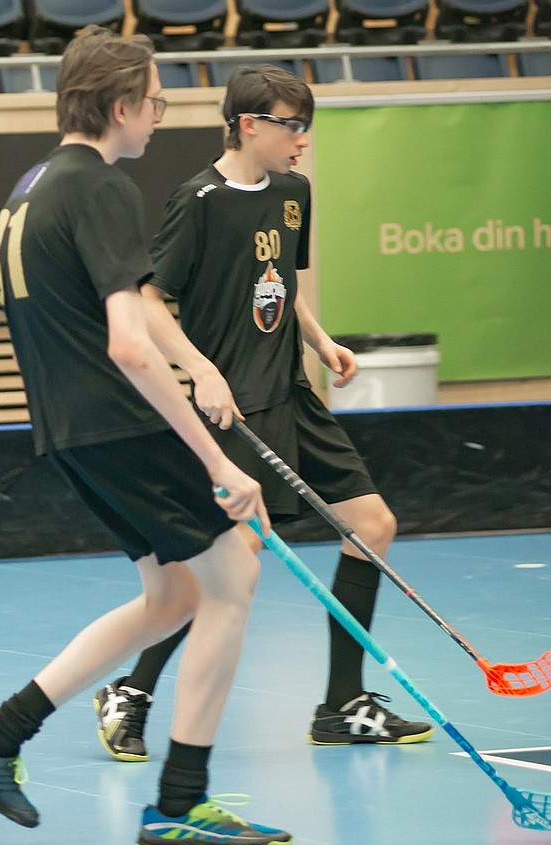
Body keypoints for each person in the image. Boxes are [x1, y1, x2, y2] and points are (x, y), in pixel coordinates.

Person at [0, 26, 293, 845]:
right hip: (120, 421)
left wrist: (197, 366)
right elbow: (129, 344)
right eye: (157, 103)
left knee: (173, 596)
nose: (160, 118)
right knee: (234, 576)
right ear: (122, 104)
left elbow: (107, 315)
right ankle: (180, 803)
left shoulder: (29, 189)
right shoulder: (101, 187)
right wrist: (217, 461)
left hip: (69, 431)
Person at [93, 65, 433, 764]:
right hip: (235, 410)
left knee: (372, 525)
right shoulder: (200, 201)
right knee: (234, 560)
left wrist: (320, 339)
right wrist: (201, 369)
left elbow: (277, 279)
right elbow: (149, 298)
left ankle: (342, 704)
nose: (303, 140)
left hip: (293, 393)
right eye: (292, 125)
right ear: (249, 124)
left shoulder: (292, 191)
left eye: (307, 126)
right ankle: (131, 689)